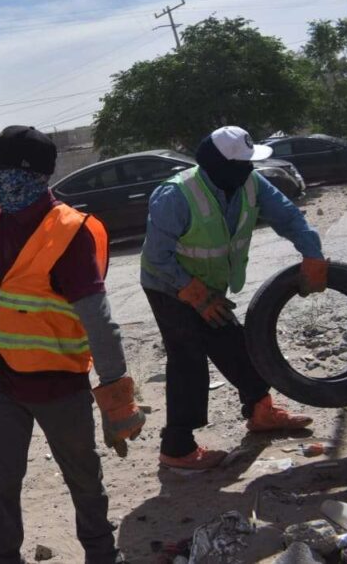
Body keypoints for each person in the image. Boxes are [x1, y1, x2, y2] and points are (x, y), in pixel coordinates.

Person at [0, 126, 145, 564]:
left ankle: (101, 554)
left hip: (59, 387)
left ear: (23, 174)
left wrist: (117, 403)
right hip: (2, 381)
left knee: (83, 478)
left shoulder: (70, 234)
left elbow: (100, 322)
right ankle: (3, 557)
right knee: (1, 479)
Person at [140, 125, 329, 470]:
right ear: (219, 165)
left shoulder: (251, 184)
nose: (248, 169)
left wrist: (313, 255)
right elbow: (157, 257)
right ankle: (177, 447)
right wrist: (195, 294)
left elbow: (287, 216)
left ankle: (260, 411)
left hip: (211, 285)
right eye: (241, 163)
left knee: (234, 341)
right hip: (168, 285)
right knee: (188, 357)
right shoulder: (176, 195)